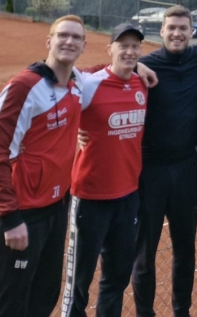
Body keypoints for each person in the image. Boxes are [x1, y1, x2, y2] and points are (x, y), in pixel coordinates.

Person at [0, 15, 86, 317]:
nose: (69, 41)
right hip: (22, 213)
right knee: (10, 305)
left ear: (83, 46)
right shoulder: (23, 87)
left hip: (56, 208)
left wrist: (140, 66)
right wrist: (9, 217)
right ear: (49, 41)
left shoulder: (78, 83)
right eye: (62, 35)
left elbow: (109, 71)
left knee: (44, 297)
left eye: (76, 37)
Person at [133, 5, 197, 317]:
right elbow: (106, 73)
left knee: (185, 249)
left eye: (183, 28)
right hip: (150, 172)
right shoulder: (146, 65)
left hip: (186, 170)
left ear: (192, 32)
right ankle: (145, 313)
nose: (177, 33)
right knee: (144, 253)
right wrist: (135, 65)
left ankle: (181, 311)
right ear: (161, 31)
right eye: (171, 28)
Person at [60, 22, 149, 317]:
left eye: (135, 46)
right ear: (110, 49)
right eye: (123, 46)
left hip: (128, 197)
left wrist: (141, 67)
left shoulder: (142, 83)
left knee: (117, 277)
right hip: (90, 197)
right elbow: (57, 97)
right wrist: (73, 131)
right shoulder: (88, 83)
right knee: (79, 280)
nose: (129, 51)